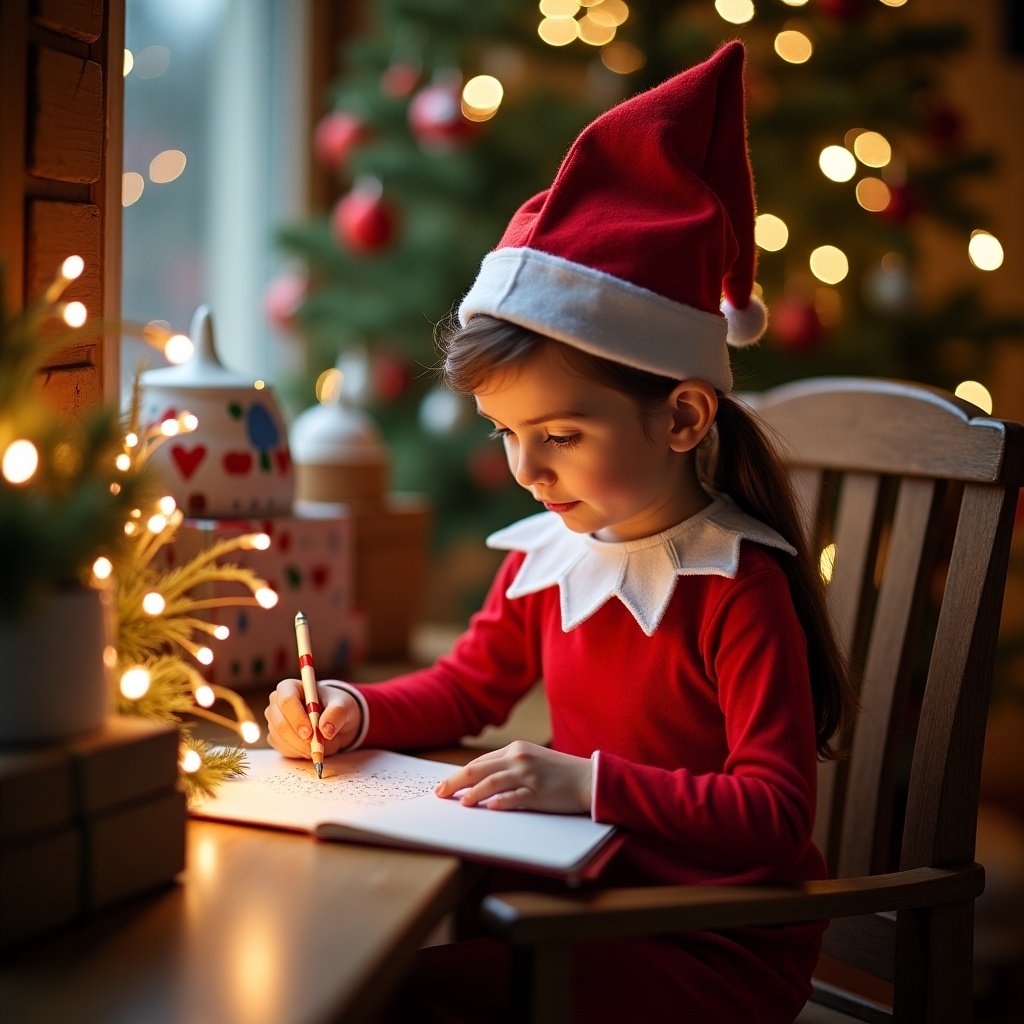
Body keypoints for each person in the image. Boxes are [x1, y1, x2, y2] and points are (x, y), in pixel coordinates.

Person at [267, 40, 854, 1023]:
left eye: (561, 435)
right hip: (582, 901)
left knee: (390, 996)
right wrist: (352, 711)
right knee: (349, 974)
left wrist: (587, 783)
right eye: (507, 435)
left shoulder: (736, 581)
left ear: (681, 418)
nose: (526, 470)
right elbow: (468, 684)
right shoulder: (549, 554)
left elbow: (774, 813)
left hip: (710, 946)